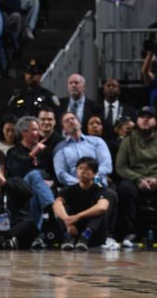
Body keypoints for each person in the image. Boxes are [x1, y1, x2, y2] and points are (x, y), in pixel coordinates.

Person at [115, 106, 157, 248]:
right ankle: (131, 232)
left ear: (155, 121)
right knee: (125, 189)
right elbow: (121, 166)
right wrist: (138, 179)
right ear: (137, 121)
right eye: (142, 117)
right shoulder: (128, 140)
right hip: (135, 179)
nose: (145, 119)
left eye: (149, 117)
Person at [53, 157, 112, 251]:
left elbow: (102, 207)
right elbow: (56, 204)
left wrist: (78, 216)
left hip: (92, 232)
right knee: (62, 207)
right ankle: (68, 237)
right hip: (73, 229)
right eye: (80, 168)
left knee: (99, 211)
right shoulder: (69, 190)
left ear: (94, 173)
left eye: (87, 169)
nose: (82, 172)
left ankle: (85, 236)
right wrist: (68, 222)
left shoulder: (100, 189)